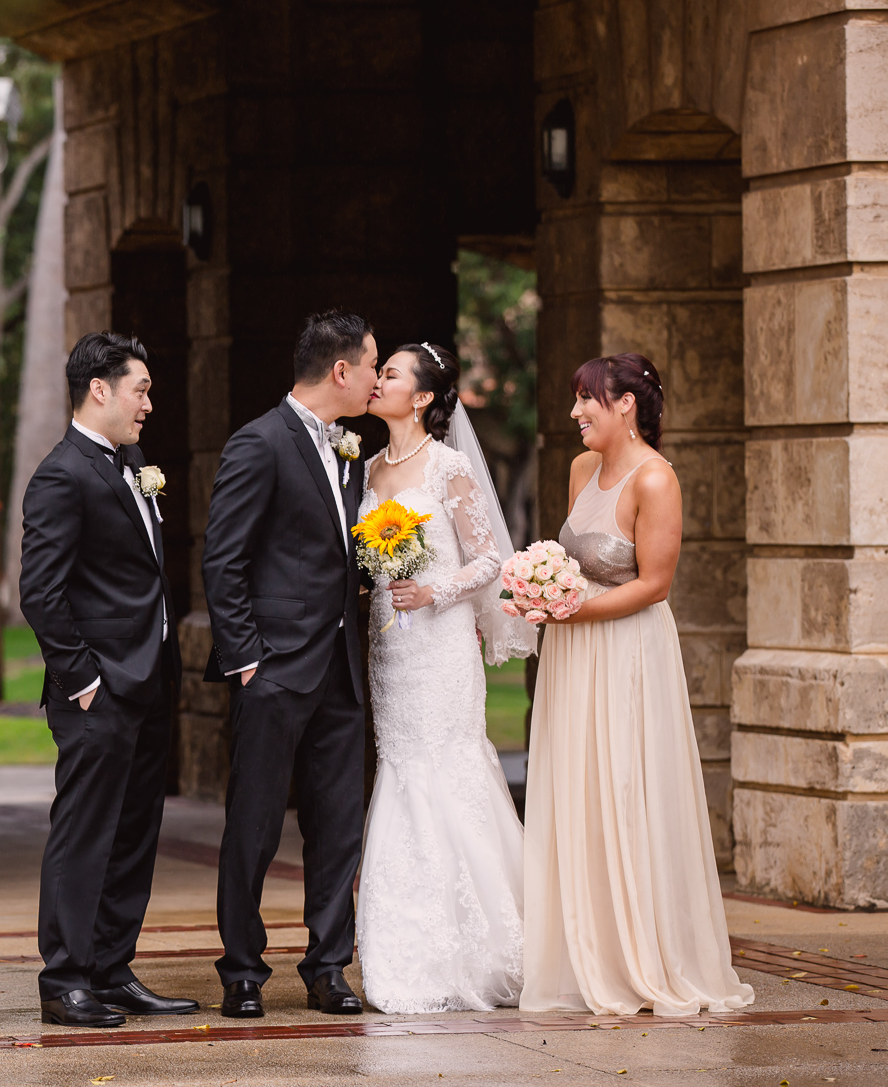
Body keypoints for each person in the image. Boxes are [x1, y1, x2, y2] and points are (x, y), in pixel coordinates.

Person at [517, 353, 754, 1017]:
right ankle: (586, 948)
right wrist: (538, 590)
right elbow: (569, 560)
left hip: (625, 651)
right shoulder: (580, 469)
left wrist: (568, 608)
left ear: (626, 405)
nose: (574, 413)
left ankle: (644, 956)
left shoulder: (656, 480)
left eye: (586, 399)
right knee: (578, 786)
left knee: (623, 786)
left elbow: (654, 584)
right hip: (572, 651)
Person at [201, 310, 378, 1018]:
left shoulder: (350, 451)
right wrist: (246, 659)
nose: (374, 378)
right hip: (272, 669)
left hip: (340, 668)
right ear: (341, 371)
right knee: (254, 823)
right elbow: (224, 558)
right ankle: (242, 969)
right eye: (370, 366)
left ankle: (328, 966)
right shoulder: (258, 443)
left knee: (339, 823)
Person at [19, 331, 199, 1028]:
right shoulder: (62, 474)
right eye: (141, 389)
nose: (149, 403)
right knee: (84, 834)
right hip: (97, 692)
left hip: (147, 684)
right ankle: (64, 979)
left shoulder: (132, 463)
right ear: (101, 389)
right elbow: (40, 592)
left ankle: (111, 969)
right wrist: (82, 679)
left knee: (133, 834)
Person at [351, 343, 534, 1013]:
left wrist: (436, 592)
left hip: (442, 642)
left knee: (449, 765)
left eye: (392, 375)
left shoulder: (450, 467)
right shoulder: (366, 469)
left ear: (423, 398)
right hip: (389, 648)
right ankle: (405, 940)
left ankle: (484, 950)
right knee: (399, 766)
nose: (379, 382)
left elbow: (490, 559)